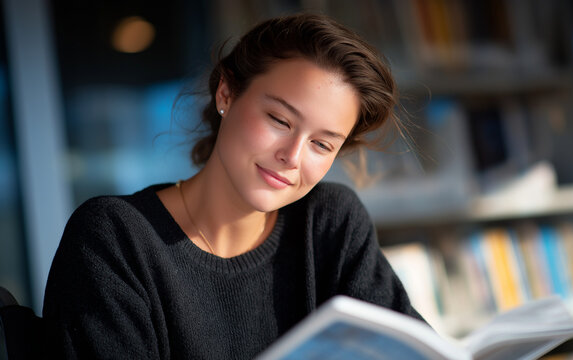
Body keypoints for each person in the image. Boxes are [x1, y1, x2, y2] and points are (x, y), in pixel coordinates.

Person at [43, 13, 423, 359]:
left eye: (321, 144)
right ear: (226, 93)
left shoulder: (330, 224)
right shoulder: (114, 239)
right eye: (279, 119)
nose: (292, 156)